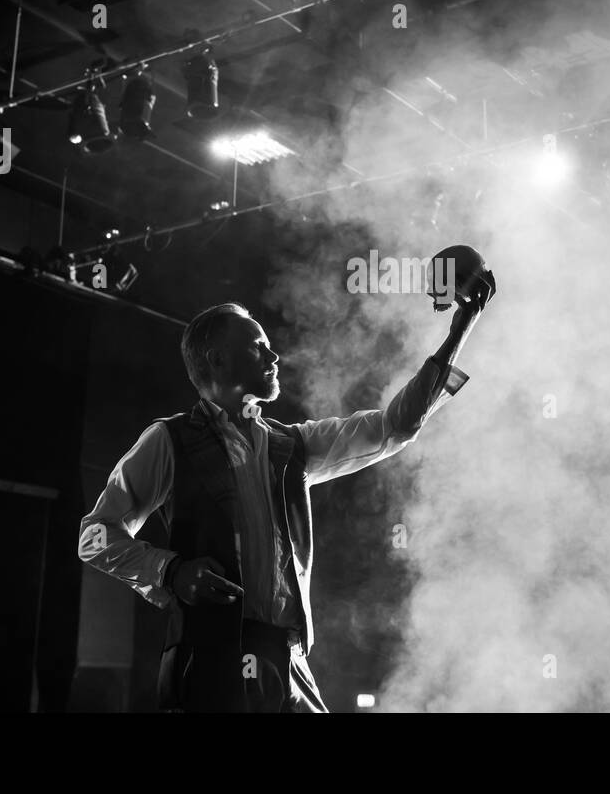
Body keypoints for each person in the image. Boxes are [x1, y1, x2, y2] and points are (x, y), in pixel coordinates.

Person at [77, 278, 493, 712]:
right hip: (210, 663)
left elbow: (393, 427)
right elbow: (94, 536)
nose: (274, 356)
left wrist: (459, 331)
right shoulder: (167, 440)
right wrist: (169, 570)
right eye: (259, 345)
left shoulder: (291, 444)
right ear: (218, 360)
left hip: (289, 661)